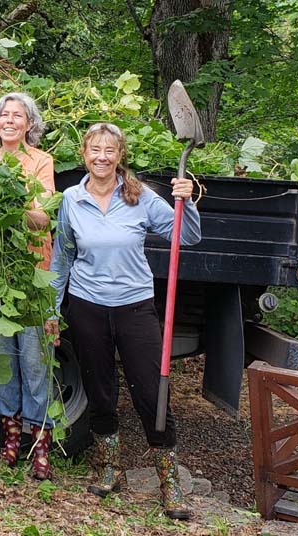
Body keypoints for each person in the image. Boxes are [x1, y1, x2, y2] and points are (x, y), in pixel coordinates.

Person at [46, 123, 201, 519]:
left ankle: (169, 484)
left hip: (134, 307)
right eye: (94, 149)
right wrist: (52, 308)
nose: (101, 156)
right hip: (86, 306)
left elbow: (187, 236)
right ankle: (108, 468)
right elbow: (62, 257)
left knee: (152, 393)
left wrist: (189, 201)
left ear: (120, 155)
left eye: (109, 150)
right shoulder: (71, 199)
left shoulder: (140, 197)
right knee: (99, 389)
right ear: (84, 154)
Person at [0, 93, 56, 480]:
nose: (9, 120)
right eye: (3, 115)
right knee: (2, 363)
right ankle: (10, 441)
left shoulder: (41, 161)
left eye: (17, 115)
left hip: (32, 274)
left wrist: (7, 205)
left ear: (29, 125)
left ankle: (40, 449)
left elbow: (43, 217)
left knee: (35, 363)